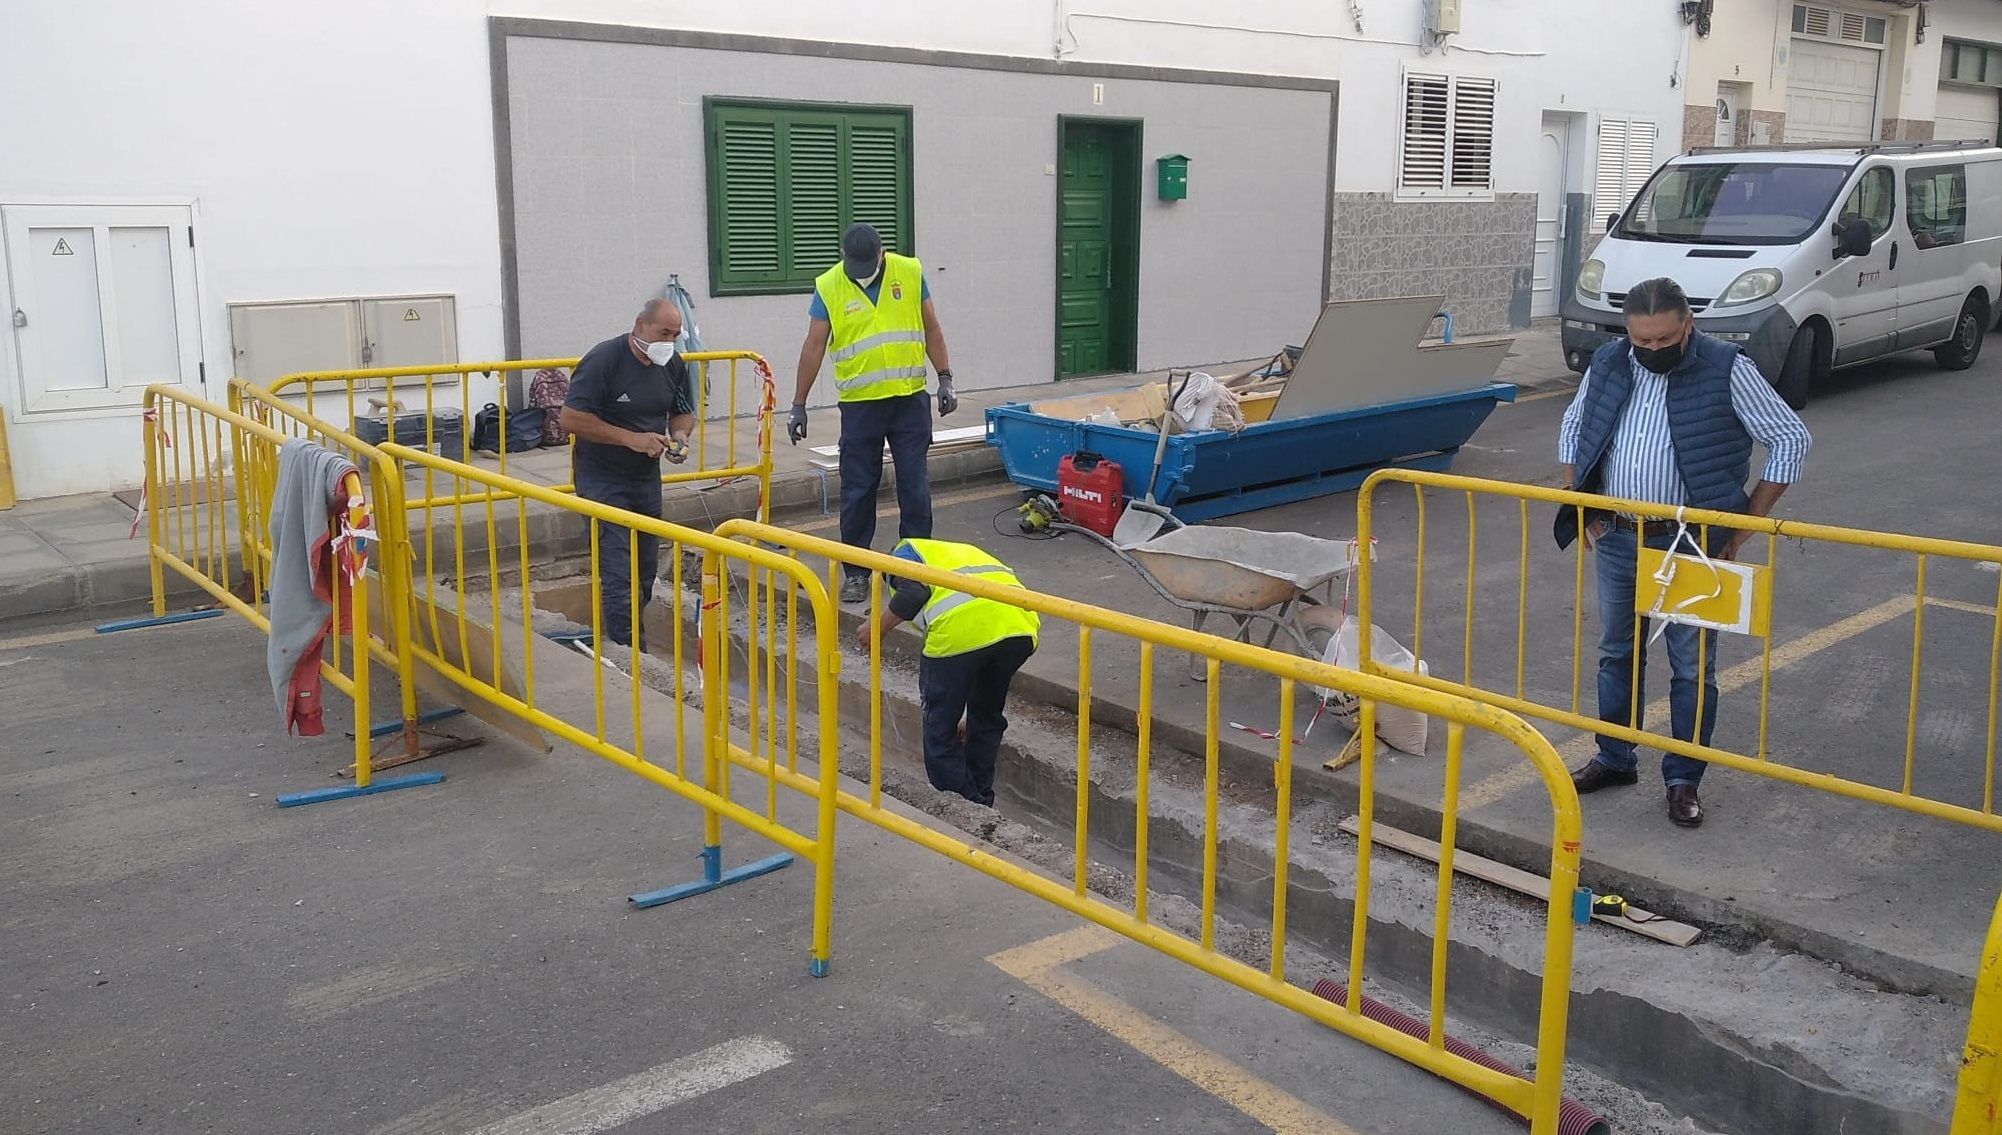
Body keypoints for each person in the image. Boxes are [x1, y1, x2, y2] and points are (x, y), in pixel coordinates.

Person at [1556, 276, 1811, 828]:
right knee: (1616, 653)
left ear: (1687, 325)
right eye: (1640, 341)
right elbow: (1577, 427)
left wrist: (1742, 526)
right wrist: (1584, 506)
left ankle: (1684, 779)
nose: (1650, 351)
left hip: (1691, 543)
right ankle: (1614, 756)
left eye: (1662, 340)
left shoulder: (1727, 367)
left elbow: (1791, 438)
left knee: (1692, 667)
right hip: (1620, 536)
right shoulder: (1609, 362)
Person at [788, 222, 958, 605]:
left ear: (882, 253)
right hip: (861, 407)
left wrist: (945, 377)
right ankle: (856, 572)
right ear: (844, 257)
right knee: (857, 490)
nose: (861, 271)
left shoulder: (910, 272)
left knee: (914, 488)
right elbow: (813, 346)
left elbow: (932, 328)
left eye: (868, 264)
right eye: (854, 265)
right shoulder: (829, 285)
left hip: (909, 401)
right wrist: (798, 403)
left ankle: (914, 571)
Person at [855, 538, 1039, 807]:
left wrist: (878, 627)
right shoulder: (960, 551)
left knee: (939, 729)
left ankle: (962, 808)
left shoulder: (903, 553)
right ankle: (981, 802)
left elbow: (913, 593)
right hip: (1019, 630)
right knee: (984, 718)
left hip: (959, 632)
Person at [558, 299, 695, 650]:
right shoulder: (604, 359)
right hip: (602, 477)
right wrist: (631, 439)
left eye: (676, 335)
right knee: (619, 570)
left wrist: (679, 438)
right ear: (640, 325)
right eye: (664, 333)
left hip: (645, 479)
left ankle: (636, 638)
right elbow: (570, 419)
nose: (670, 342)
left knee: (645, 569)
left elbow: (683, 411)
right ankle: (626, 651)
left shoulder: (672, 364)